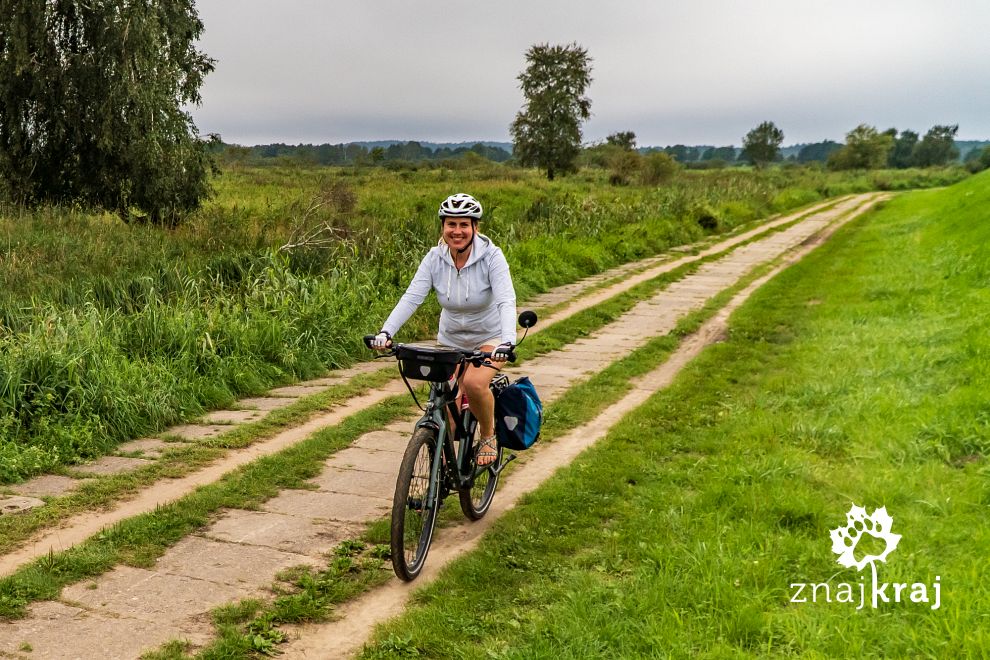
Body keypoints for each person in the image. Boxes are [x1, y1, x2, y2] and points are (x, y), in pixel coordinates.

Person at [372, 193, 516, 466]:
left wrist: (506, 342)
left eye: (464, 224)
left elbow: (505, 300)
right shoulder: (435, 258)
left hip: (489, 338)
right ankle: (437, 482)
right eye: (451, 224)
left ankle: (487, 435)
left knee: (473, 384)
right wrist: (385, 332)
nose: (457, 231)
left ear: (476, 227)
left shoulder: (492, 257)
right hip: (449, 340)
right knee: (444, 411)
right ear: (443, 227)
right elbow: (412, 296)